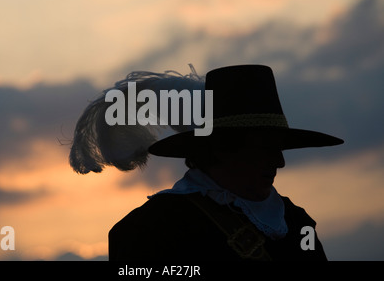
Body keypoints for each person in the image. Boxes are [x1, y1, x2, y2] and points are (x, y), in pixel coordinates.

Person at [69, 64, 344, 261]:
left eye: (279, 148)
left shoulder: (295, 220)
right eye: (264, 148)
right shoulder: (150, 229)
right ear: (221, 150)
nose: (279, 161)